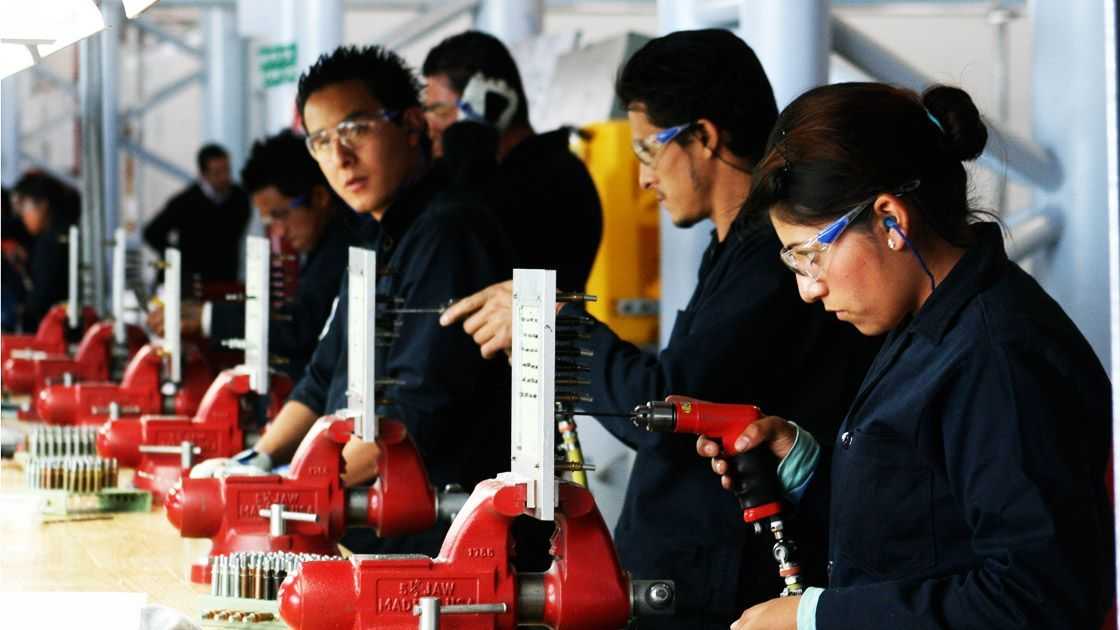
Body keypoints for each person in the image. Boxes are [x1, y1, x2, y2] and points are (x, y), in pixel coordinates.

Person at [440, 30, 880, 627]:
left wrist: (555, 329)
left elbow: (665, 409)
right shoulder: (731, 250)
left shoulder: (769, 263)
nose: (644, 178)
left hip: (726, 586)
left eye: (648, 150)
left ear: (703, 137)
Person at [698, 82, 1114, 630]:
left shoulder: (997, 355)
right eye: (794, 264)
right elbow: (930, 529)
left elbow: (1037, 597)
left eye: (811, 256)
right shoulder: (926, 321)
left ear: (891, 220)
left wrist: (817, 617)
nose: (809, 289)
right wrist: (807, 471)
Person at [206, 45, 515, 557]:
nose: (340, 156)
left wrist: (294, 489)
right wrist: (255, 462)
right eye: (322, 141)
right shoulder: (375, 236)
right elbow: (322, 377)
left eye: (355, 129)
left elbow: (411, 418)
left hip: (437, 546)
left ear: (411, 125)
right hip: (365, 527)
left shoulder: (448, 233)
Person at [147, 130, 352, 380]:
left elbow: (298, 328)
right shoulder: (321, 242)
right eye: (269, 221)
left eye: (280, 215)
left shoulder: (344, 247)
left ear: (319, 197)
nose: (278, 231)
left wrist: (207, 317)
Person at [421, 30, 602, 291]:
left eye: (439, 109)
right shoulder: (511, 172)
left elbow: (462, 234)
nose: (430, 126)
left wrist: (470, 137)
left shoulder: (548, 177)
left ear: (490, 100)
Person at [143, 143, 251, 285]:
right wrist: (177, 256)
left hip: (224, 280)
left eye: (227, 170)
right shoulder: (184, 202)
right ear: (203, 174)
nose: (224, 177)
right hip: (189, 281)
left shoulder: (240, 198)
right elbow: (151, 232)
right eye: (217, 173)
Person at [11, 172, 80, 332]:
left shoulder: (49, 242)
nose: (22, 216)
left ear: (43, 206)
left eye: (24, 207)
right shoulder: (66, 233)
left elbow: (40, 299)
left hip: (53, 330)